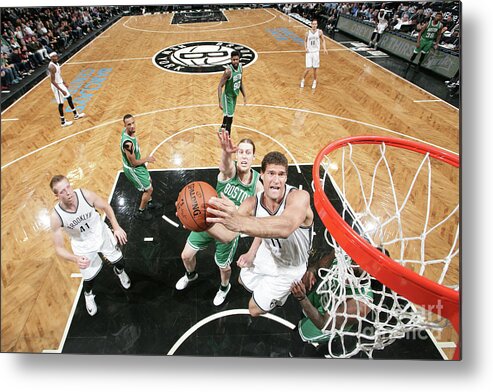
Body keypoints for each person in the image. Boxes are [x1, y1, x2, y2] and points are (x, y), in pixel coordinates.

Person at [206, 151, 314, 316]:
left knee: (254, 310)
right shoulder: (252, 203)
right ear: (261, 175)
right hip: (270, 252)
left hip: (291, 267)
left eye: (281, 174)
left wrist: (239, 222)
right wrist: (201, 224)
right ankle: (270, 291)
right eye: (271, 173)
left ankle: (280, 294)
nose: (276, 180)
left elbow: (285, 227)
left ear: (286, 177)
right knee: (242, 280)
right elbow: (228, 235)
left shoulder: (299, 197)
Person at [175, 130, 263, 306]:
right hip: (208, 220)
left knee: (224, 267)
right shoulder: (230, 172)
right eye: (241, 152)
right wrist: (225, 152)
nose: (244, 156)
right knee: (186, 256)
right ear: (236, 154)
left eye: (248, 152)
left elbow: (260, 221)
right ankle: (190, 275)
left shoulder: (257, 187)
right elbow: (225, 166)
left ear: (254, 157)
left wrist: (252, 250)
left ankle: (224, 288)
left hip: (227, 233)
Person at [49, 174, 130, 316]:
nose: (68, 192)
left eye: (68, 186)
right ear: (56, 196)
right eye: (62, 191)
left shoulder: (85, 195)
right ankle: (88, 295)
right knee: (90, 278)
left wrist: (116, 227)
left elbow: (106, 206)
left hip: (101, 233)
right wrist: (75, 259)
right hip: (82, 245)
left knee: (120, 262)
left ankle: (119, 272)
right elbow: (58, 248)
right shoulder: (56, 217)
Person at [120, 114, 162, 221]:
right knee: (148, 189)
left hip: (138, 165)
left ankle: (150, 202)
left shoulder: (128, 133)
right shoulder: (128, 144)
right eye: (129, 124)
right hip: (133, 169)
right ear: (125, 125)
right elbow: (133, 162)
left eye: (133, 123)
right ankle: (140, 211)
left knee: (149, 181)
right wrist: (147, 159)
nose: (132, 126)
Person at [48, 51, 85, 127]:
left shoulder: (57, 63)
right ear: (51, 58)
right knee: (61, 103)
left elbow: (58, 75)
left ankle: (76, 115)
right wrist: (61, 90)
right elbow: (52, 81)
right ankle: (63, 122)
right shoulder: (51, 67)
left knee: (69, 98)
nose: (56, 57)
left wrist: (64, 82)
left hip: (60, 83)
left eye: (56, 56)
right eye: (54, 56)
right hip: (56, 86)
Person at [217, 50, 247, 135]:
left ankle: (222, 127)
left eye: (237, 59)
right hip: (227, 97)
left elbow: (240, 82)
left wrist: (244, 95)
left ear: (239, 59)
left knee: (228, 114)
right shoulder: (228, 71)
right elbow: (220, 86)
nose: (235, 61)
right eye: (233, 60)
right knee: (230, 118)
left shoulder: (241, 68)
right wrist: (220, 102)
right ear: (231, 60)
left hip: (234, 96)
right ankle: (228, 138)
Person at [300, 19, 327, 89]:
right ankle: (302, 80)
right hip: (309, 52)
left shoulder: (320, 32)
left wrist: (324, 48)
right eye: (313, 24)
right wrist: (305, 48)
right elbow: (305, 41)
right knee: (308, 68)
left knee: (315, 69)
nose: (314, 25)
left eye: (315, 24)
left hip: (316, 52)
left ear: (317, 25)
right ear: (311, 24)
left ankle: (314, 81)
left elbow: (323, 40)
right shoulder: (307, 33)